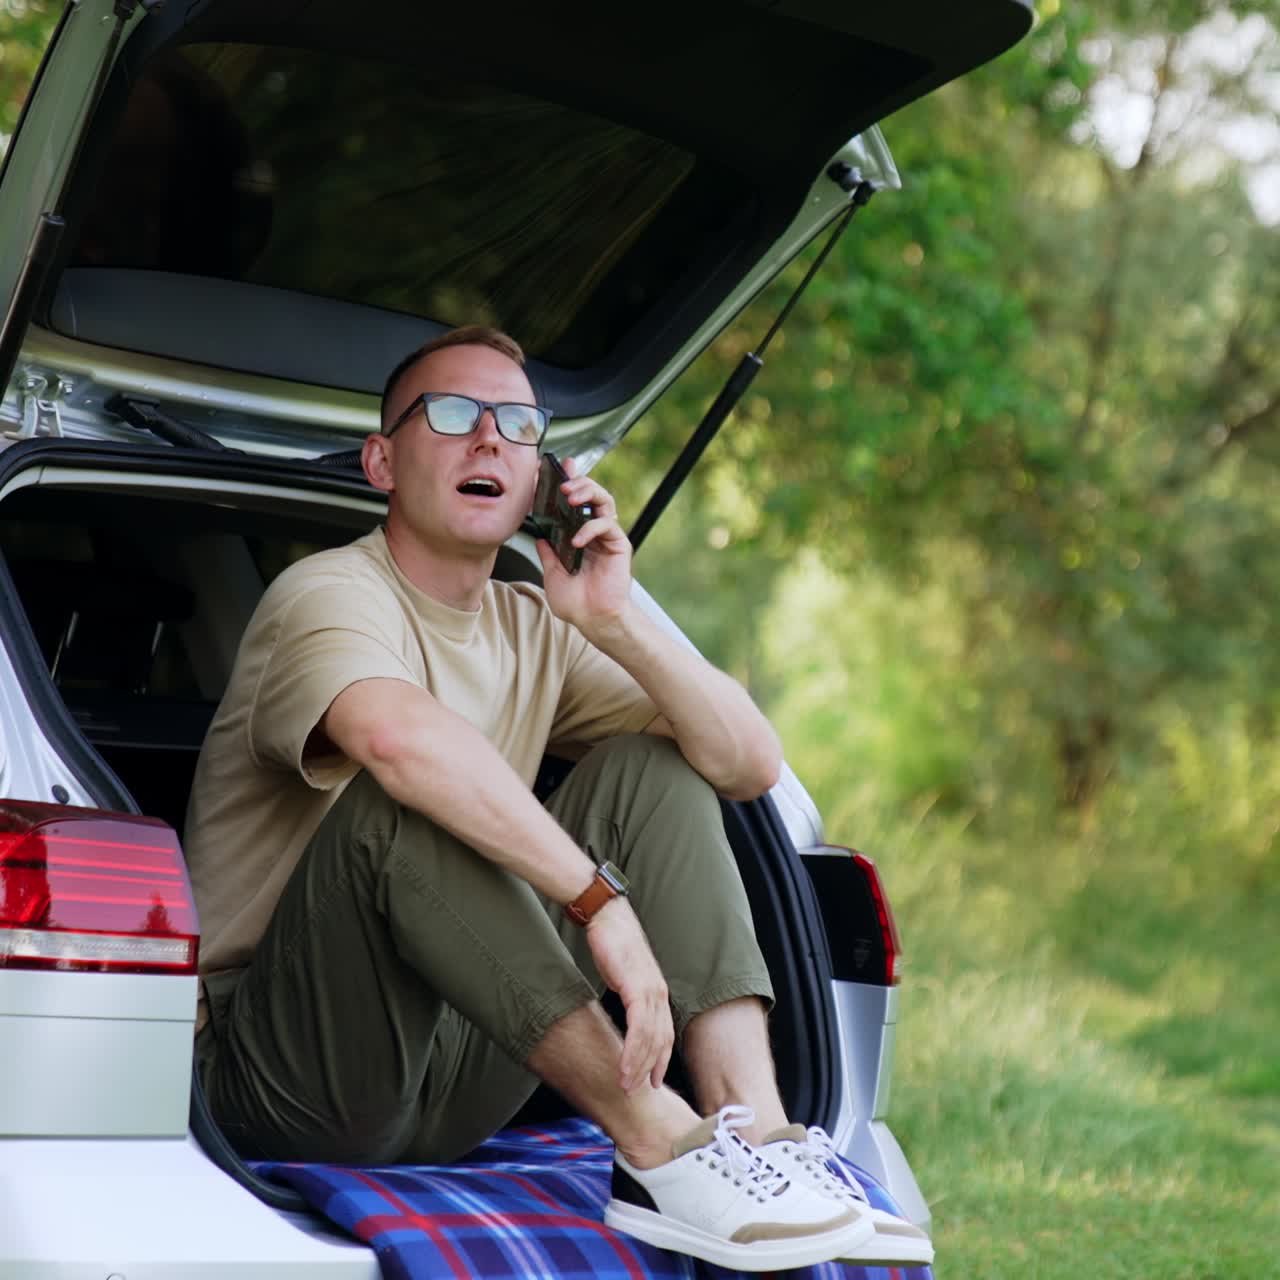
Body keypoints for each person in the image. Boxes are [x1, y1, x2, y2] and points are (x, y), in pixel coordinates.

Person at [185, 325, 931, 1271]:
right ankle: (659, 1140)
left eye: (518, 422)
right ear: (381, 460)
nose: (489, 439)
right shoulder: (325, 593)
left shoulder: (530, 620)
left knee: (655, 769)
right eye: (453, 415)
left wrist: (617, 622)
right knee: (400, 807)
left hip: (454, 1075)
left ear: (539, 472)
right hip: (281, 1072)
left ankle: (763, 1144)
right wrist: (597, 903)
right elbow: (397, 742)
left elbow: (747, 764)